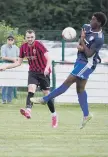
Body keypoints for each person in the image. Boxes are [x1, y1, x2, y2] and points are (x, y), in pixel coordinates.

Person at [30, 12, 107, 129]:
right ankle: (86, 115)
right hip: (80, 60)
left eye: (93, 20)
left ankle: (45, 99)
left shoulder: (99, 38)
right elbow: (80, 46)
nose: (90, 21)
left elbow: (89, 53)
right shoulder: (86, 27)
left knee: (68, 81)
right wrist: (80, 43)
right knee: (80, 89)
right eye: (91, 19)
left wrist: (82, 40)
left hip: (87, 64)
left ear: (99, 23)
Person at [0, 30, 58, 128]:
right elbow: (18, 62)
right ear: (25, 38)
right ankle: (28, 111)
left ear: (34, 37)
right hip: (33, 72)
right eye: (28, 37)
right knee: (31, 89)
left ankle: (54, 116)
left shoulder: (39, 45)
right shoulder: (23, 47)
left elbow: (49, 58)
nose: (30, 39)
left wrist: (47, 68)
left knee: (47, 95)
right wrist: (6, 67)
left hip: (43, 72)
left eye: (31, 37)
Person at [1, 35, 19, 104]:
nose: (10, 41)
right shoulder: (3, 47)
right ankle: (3, 99)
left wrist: (15, 60)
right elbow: (3, 57)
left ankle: (9, 100)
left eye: (11, 39)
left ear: (13, 41)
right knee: (5, 83)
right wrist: (13, 59)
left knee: (12, 83)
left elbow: (19, 57)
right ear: (7, 40)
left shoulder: (16, 48)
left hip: (14, 66)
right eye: (9, 39)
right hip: (5, 65)